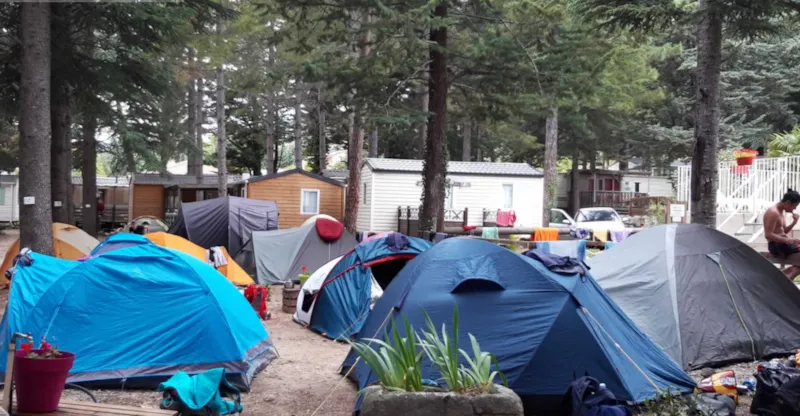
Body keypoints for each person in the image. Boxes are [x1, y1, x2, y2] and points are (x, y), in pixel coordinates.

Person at [764, 189, 800, 279]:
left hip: (783, 244)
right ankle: (785, 279)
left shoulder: (780, 211)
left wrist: (794, 222)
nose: (794, 209)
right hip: (776, 246)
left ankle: (783, 277)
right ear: (788, 202)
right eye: (794, 206)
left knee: (798, 267)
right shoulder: (773, 212)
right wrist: (788, 240)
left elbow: (784, 231)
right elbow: (768, 234)